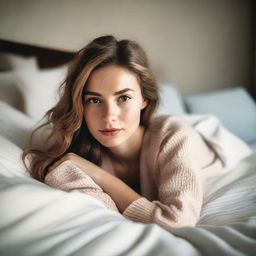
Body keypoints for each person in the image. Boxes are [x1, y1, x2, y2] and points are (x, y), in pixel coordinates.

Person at [22, 35, 223, 229]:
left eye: (124, 98)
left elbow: (177, 222)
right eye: (95, 100)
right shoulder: (77, 153)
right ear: (80, 104)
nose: (109, 116)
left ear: (145, 98)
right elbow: (110, 219)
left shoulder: (175, 137)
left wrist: (98, 175)